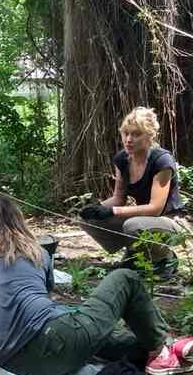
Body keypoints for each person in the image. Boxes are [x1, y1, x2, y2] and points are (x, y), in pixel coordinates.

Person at [0, 194, 193, 375]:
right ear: (19, 220)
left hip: (16, 362)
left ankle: (163, 349)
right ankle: (163, 348)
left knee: (85, 325)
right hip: (51, 338)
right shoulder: (40, 253)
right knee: (125, 278)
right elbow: (44, 304)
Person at [79, 106, 186, 279]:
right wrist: (96, 208)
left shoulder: (162, 161)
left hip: (170, 221)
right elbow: (118, 198)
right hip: (144, 219)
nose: (128, 139)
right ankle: (135, 254)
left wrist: (113, 211)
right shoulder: (122, 159)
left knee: (133, 225)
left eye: (136, 134)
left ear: (150, 136)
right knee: (88, 220)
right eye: (125, 133)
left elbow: (155, 208)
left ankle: (165, 258)